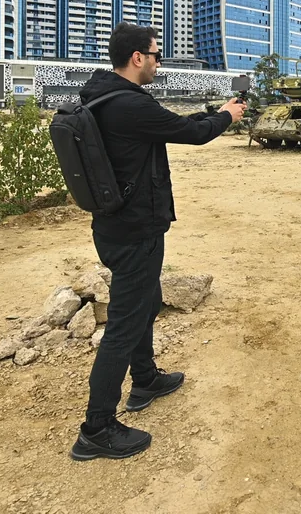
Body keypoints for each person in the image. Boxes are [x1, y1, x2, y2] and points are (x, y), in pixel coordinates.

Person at [70, 24, 246, 461]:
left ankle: (145, 379)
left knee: (146, 303)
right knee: (124, 325)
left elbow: (176, 124)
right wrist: (227, 116)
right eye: (155, 54)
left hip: (116, 226)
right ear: (137, 58)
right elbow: (193, 133)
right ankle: (97, 429)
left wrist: (212, 113)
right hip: (135, 231)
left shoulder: (104, 96)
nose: (159, 62)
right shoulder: (128, 104)